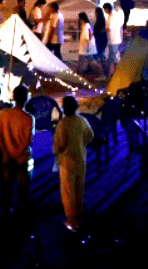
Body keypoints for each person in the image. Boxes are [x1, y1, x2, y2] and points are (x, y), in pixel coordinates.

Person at [53, 95, 94, 231]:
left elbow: (58, 145)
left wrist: (57, 152)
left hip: (66, 161)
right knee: (79, 188)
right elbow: (90, 136)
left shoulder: (63, 124)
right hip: (80, 159)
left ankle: (72, 220)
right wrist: (81, 144)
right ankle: (79, 213)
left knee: (68, 191)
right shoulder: (82, 121)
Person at [0, 85, 35, 221]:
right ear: (26, 98)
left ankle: (5, 215)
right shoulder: (29, 118)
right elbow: (27, 141)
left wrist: (6, 153)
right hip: (21, 158)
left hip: (6, 157)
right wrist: (17, 154)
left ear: (13, 97)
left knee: (6, 187)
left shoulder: (4, 114)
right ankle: (21, 216)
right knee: (23, 189)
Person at [104, 3, 122, 76]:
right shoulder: (116, 15)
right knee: (113, 57)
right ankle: (112, 73)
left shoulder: (111, 17)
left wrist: (103, 31)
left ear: (107, 9)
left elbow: (109, 28)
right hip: (117, 39)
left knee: (113, 58)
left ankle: (115, 73)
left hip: (112, 40)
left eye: (104, 9)